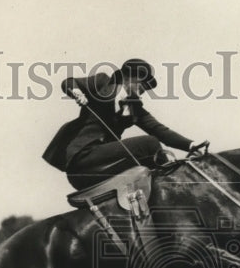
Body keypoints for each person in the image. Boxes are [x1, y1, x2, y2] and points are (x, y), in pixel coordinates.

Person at [42, 58, 209, 190]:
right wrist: (76, 92)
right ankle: (173, 184)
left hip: (103, 165)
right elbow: (69, 82)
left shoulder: (135, 108)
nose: (145, 88)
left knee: (147, 166)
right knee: (149, 143)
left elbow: (161, 131)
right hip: (83, 158)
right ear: (128, 77)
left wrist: (192, 145)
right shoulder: (103, 82)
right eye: (142, 82)